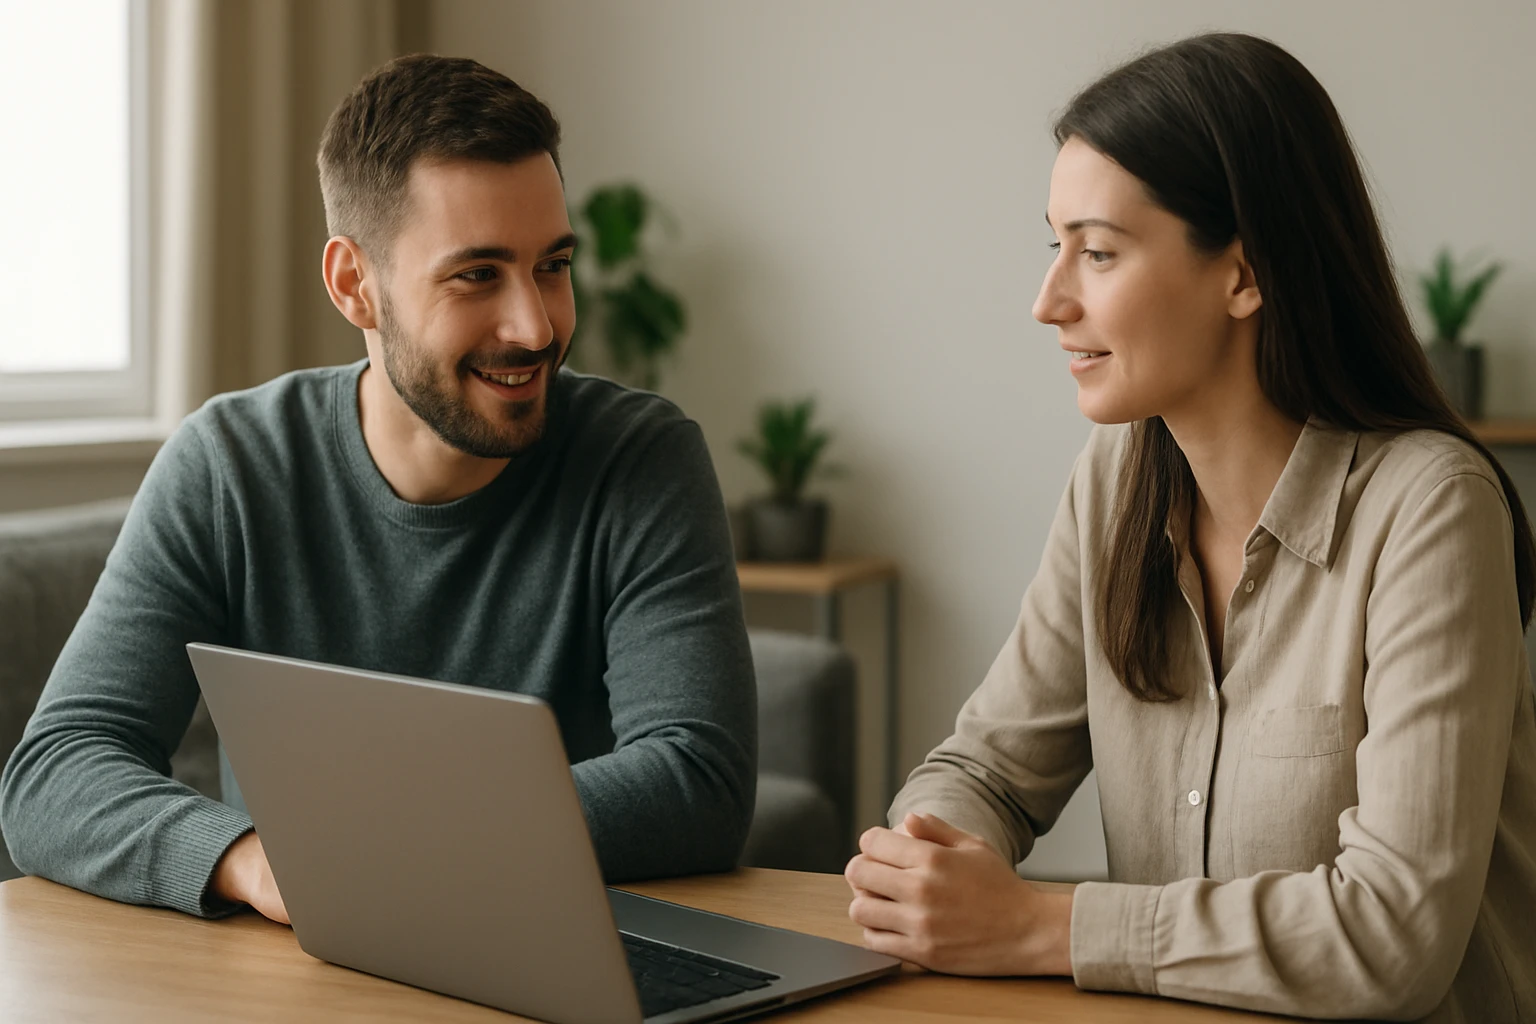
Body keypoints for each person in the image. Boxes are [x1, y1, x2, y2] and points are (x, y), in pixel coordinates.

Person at [844, 32, 1536, 1022]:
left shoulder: (1430, 507)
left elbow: (1395, 937)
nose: (1050, 301)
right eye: (1056, 245)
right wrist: (935, 862)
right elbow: (987, 767)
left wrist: (1043, 927)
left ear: (1244, 274)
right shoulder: (1116, 479)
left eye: (1098, 250)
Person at [0, 55, 756, 924]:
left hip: (547, 953)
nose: (536, 325)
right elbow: (56, 769)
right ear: (355, 285)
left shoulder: (641, 459)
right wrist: (254, 863)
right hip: (300, 973)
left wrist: (381, 851)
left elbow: (698, 776)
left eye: (552, 264)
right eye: (477, 274)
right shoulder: (229, 465)